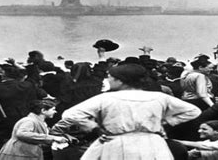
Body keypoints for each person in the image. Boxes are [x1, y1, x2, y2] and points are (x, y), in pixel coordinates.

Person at [60, 63, 201, 159]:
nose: (108, 79)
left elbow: (69, 114)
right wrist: (166, 121)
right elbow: (193, 111)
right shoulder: (158, 97)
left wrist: (94, 127)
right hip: (151, 142)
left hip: (116, 142)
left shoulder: (107, 98)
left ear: (120, 81)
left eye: (111, 77)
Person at [0, 100, 68, 160]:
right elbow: (22, 133)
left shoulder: (38, 121)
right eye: (53, 109)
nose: (55, 112)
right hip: (18, 155)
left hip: (25, 154)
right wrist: (53, 138)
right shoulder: (29, 121)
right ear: (43, 110)